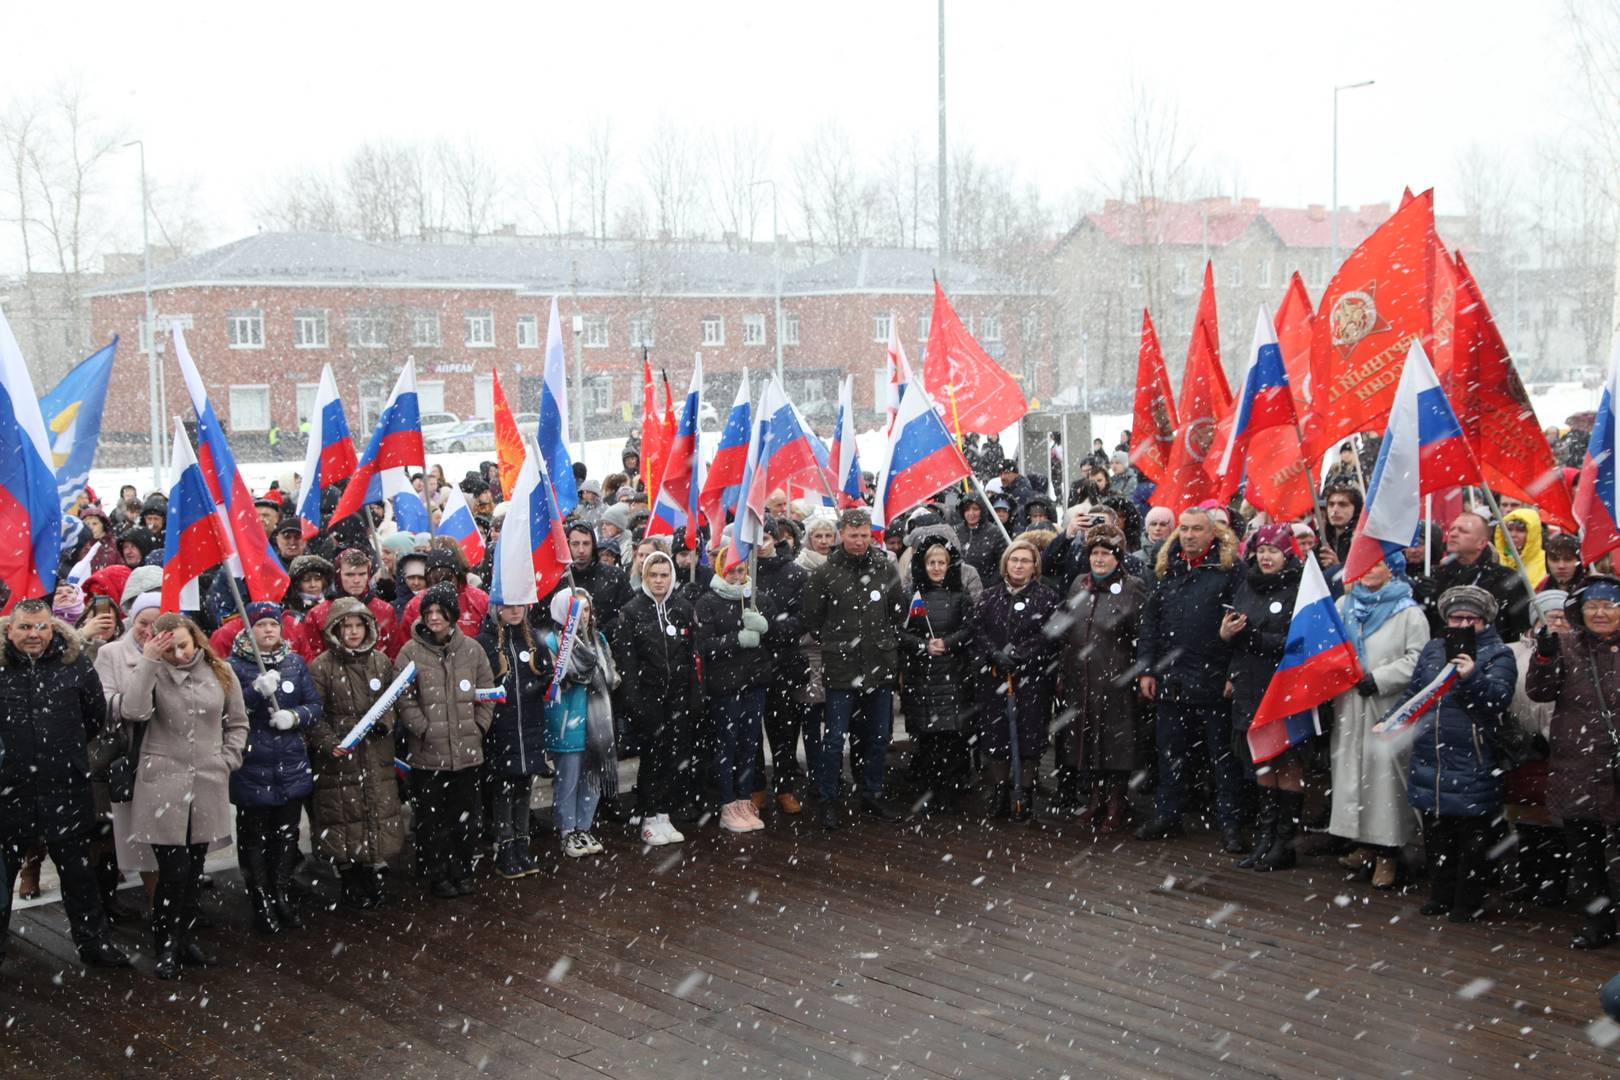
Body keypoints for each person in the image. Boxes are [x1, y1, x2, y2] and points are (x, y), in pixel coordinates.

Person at [0, 599, 129, 971]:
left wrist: (64, 754)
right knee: (2, 876)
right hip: (10, 790)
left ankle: (93, 944)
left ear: (52, 628)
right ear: (11, 629)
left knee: (78, 875)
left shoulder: (74, 664)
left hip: (65, 788)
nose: (34, 635)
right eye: (25, 627)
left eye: (41, 627)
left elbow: (94, 716)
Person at [120, 613, 249, 980]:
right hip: (164, 781)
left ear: (196, 641)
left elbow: (237, 721)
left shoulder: (220, 670)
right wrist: (149, 659)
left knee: (194, 870)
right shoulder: (153, 671)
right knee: (172, 871)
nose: (178, 654)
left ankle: (186, 939)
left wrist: (228, 759)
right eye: (170, 647)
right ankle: (165, 944)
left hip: (208, 780)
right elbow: (133, 710)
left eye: (183, 646)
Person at [1136, 507, 1245, 850]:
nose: (1189, 535)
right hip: (1172, 677)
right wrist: (1146, 669)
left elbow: (1242, 625)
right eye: (1184, 528)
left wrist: (1233, 673)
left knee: (1223, 758)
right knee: (1170, 753)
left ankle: (1231, 825)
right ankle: (1169, 816)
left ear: (1211, 533)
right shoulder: (1167, 568)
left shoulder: (1229, 571)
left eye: (1197, 529)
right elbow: (1150, 624)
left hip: (1213, 677)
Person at [1408, 585, 1516, 923]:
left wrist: (1471, 678)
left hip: (1474, 755)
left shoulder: (1499, 654)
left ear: (1484, 621)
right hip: (1431, 754)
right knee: (1437, 833)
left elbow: (1497, 700)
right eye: (1457, 618)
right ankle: (1440, 894)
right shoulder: (1432, 650)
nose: (1464, 624)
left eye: (1472, 619)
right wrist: (1391, 722)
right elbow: (1415, 694)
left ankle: (1468, 901)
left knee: (1472, 837)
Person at [1528, 576, 1620, 948]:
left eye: (1610, 605)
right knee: (1587, 856)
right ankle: (1597, 923)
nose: (1601, 613)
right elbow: (1540, 691)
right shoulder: (1567, 645)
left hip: (1615, 770)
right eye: (1592, 606)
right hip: (1578, 770)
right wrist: (1544, 657)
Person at [1329, 551, 1430, 889]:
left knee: (1384, 781)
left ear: (1393, 570)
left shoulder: (1409, 612)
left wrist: (1381, 677)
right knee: (1352, 775)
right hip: (1349, 705)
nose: (1369, 570)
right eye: (1364, 563)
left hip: (1386, 706)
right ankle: (1362, 842)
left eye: (1378, 564)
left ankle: (1388, 851)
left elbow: (1418, 658)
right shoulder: (1345, 606)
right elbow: (1329, 647)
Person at [802, 508, 907, 830]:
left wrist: (880, 640)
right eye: (853, 535)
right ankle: (829, 798)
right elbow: (812, 619)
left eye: (864, 536)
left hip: (878, 665)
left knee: (877, 737)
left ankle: (871, 792)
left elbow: (897, 611)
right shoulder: (825, 573)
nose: (859, 541)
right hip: (841, 667)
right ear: (841, 535)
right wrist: (841, 640)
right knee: (835, 740)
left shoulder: (884, 568)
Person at [225, 603, 320, 935]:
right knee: (254, 839)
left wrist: (295, 717)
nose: (268, 631)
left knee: (286, 835)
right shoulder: (232, 667)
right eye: (261, 625)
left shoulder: (294, 663)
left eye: (273, 625)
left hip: (290, 765)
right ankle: (260, 899)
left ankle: (280, 892)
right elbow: (226, 714)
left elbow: (314, 705)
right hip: (252, 766)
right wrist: (253, 693)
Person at [395, 585, 495, 899]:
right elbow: (403, 698)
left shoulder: (473, 650)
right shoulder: (410, 652)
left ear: (452, 615)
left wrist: (478, 728)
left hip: (466, 754)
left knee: (464, 819)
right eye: (430, 613)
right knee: (431, 820)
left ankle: (462, 869)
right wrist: (422, 728)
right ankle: (437, 874)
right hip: (429, 755)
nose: (435, 618)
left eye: (440, 612)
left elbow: (487, 692)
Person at [307, 598, 406, 909]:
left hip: (374, 752)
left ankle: (369, 870)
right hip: (340, 754)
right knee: (344, 814)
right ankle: (349, 876)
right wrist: (328, 742)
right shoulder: (321, 666)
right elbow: (314, 715)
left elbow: (392, 703)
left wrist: (384, 724)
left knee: (372, 809)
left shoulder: (379, 662)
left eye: (358, 626)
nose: (353, 632)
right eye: (346, 626)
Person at [1221, 525, 1306, 870]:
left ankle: (1284, 843)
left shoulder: (1299, 587)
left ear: (1287, 554)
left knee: (1286, 760)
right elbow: (1233, 629)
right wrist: (1226, 635)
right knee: (1261, 759)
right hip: (1250, 683)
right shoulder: (1247, 584)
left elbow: (1295, 641)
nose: (1267, 556)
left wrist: (1252, 639)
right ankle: (1266, 837)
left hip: (1284, 685)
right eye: (1263, 549)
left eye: (1275, 550)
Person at [1059, 526, 1146, 831]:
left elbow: (1142, 633)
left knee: (1116, 742)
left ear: (1117, 557)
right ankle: (1095, 798)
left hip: (1116, 677)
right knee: (1088, 739)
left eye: (1105, 553)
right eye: (1094, 553)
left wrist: (1139, 672)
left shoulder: (1132, 587)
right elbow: (1066, 629)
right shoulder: (1077, 584)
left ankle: (1116, 802)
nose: (1099, 559)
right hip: (1080, 677)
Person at [613, 551, 699, 845]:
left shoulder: (683, 608)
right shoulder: (632, 610)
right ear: (645, 576)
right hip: (649, 698)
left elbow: (692, 656)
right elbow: (627, 661)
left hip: (677, 697)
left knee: (675, 756)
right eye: (654, 575)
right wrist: (634, 701)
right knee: (653, 757)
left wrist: (693, 694)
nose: (659, 581)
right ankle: (649, 815)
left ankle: (664, 813)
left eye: (664, 575)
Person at [973, 537, 1061, 820]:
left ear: (1034, 566)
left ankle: (1025, 792)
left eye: (1025, 560)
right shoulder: (988, 596)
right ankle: (1000, 791)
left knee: (1030, 736)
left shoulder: (1046, 597)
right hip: (996, 677)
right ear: (1005, 564)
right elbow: (977, 631)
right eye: (1014, 560)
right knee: (996, 737)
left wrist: (1023, 654)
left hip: (1032, 679)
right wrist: (995, 654)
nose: (1019, 565)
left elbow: (1049, 634)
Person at [899, 536, 975, 814]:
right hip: (923, 676)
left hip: (953, 676)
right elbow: (901, 632)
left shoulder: (960, 595)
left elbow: (969, 628)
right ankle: (930, 790)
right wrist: (923, 645)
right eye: (931, 562)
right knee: (928, 740)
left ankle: (951, 791)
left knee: (953, 738)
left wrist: (948, 643)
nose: (936, 568)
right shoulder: (911, 596)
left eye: (941, 562)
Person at [477, 601, 553, 877]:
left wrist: (546, 681)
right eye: (508, 606)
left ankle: (522, 843)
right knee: (502, 789)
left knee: (524, 786)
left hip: (529, 726)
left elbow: (546, 674)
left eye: (519, 605)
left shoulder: (531, 639)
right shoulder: (484, 642)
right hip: (501, 728)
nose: (515, 611)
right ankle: (505, 846)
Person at [695, 558, 770, 832]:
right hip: (725, 686)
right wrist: (735, 640)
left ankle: (743, 798)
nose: (737, 576)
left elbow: (775, 635)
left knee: (750, 745)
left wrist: (764, 626)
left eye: (741, 570)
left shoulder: (757, 597)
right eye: (731, 571)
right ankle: (727, 802)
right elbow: (703, 644)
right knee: (726, 744)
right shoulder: (708, 601)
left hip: (754, 683)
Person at [542, 589, 619, 857]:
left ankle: (584, 826)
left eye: (586, 610)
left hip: (597, 720)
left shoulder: (598, 640)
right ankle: (567, 829)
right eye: (576, 609)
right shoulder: (555, 643)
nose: (582, 616)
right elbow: (557, 680)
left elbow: (611, 675)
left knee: (593, 776)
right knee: (569, 778)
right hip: (568, 719)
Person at [1503, 590, 1567, 911]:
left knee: (1556, 819)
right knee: (1526, 816)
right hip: (1523, 746)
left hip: (1562, 748)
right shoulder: (1511, 653)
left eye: (1561, 616)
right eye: (1549, 615)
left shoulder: (1576, 653)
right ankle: (1528, 878)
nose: (1556, 621)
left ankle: (1554, 883)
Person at [751, 524, 809, 814]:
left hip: (784, 662)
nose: (760, 544)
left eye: (764, 537)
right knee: (750, 733)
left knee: (784, 730)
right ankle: (756, 786)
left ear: (774, 538)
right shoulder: (742, 570)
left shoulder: (795, 573)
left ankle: (785, 787)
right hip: (748, 662)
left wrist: (774, 629)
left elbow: (805, 617)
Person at [1429, 511, 1533, 642]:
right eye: (1452, 529)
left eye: (1463, 531)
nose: (1453, 534)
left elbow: (1518, 630)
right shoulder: (1435, 576)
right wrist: (1421, 596)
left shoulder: (1507, 579)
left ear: (1482, 543)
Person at [296, 547, 399, 662]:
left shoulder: (385, 610)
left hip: (377, 676)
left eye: (362, 574)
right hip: (333, 677)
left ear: (368, 575)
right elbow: (313, 660)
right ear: (339, 575)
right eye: (350, 575)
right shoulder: (317, 614)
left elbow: (394, 655)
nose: (356, 580)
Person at [563, 523, 635, 636]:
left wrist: (605, 631)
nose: (581, 550)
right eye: (575, 544)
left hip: (608, 646)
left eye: (586, 544)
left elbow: (629, 613)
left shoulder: (615, 576)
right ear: (568, 545)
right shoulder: (559, 579)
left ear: (594, 545)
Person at [956, 495, 1006, 584]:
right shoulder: (956, 531)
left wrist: (990, 583)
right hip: (960, 587)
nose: (971, 513)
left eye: (975, 509)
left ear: (982, 511)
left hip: (986, 587)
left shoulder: (994, 532)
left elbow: (1003, 562)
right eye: (967, 509)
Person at [1495, 508, 1547, 588]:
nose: (1513, 535)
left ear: (1532, 534)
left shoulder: (1545, 562)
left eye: (1520, 530)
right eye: (1509, 529)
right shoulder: (1496, 560)